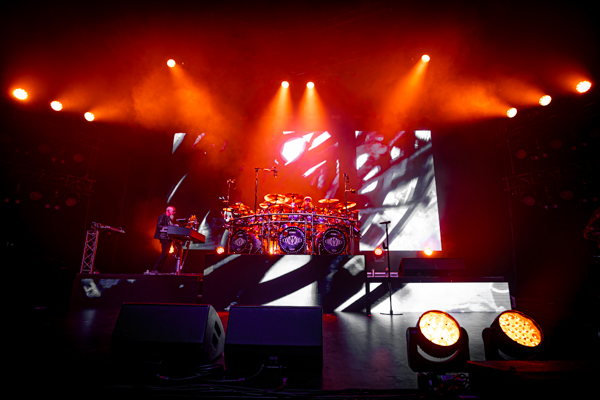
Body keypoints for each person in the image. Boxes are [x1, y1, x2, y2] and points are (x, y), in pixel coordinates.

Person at [148, 206, 177, 275]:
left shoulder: (169, 219)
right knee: (164, 253)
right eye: (173, 211)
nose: (174, 213)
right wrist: (170, 227)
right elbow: (159, 226)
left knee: (166, 254)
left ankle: (158, 270)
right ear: (168, 210)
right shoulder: (162, 216)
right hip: (164, 237)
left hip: (168, 237)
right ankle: (155, 269)